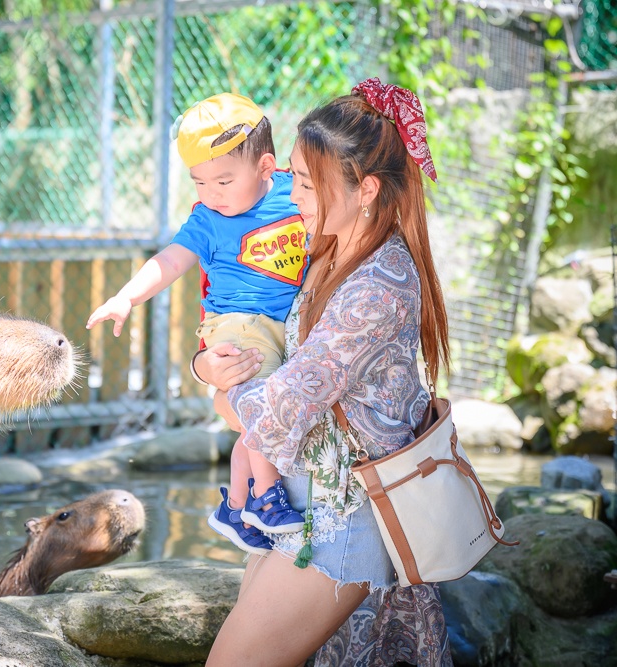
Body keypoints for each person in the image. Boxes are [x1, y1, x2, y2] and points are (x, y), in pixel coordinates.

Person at [194, 78, 453, 666]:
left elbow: (283, 401)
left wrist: (224, 399)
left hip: (343, 520)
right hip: (300, 504)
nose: (293, 193)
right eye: (292, 175)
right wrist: (205, 361)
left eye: (307, 183)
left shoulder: (380, 284)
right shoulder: (326, 249)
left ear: (364, 189)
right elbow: (242, 327)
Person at [86, 93, 309, 554]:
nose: (211, 194)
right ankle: (267, 499)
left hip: (284, 325)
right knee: (260, 401)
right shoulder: (207, 219)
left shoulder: (294, 193)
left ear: (266, 167)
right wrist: (126, 297)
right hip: (237, 324)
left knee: (252, 418)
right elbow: (169, 261)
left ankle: (236, 505)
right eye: (199, 182)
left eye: (224, 181)